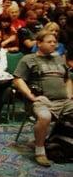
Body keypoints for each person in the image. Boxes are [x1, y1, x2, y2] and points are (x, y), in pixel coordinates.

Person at [13, 31, 73, 167]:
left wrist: (69, 95)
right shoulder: (28, 59)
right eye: (49, 41)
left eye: (54, 42)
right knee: (45, 116)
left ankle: (60, 142)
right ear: (39, 43)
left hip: (63, 101)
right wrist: (31, 96)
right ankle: (40, 151)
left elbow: (67, 79)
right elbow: (18, 80)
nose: (53, 44)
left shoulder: (59, 59)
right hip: (41, 101)